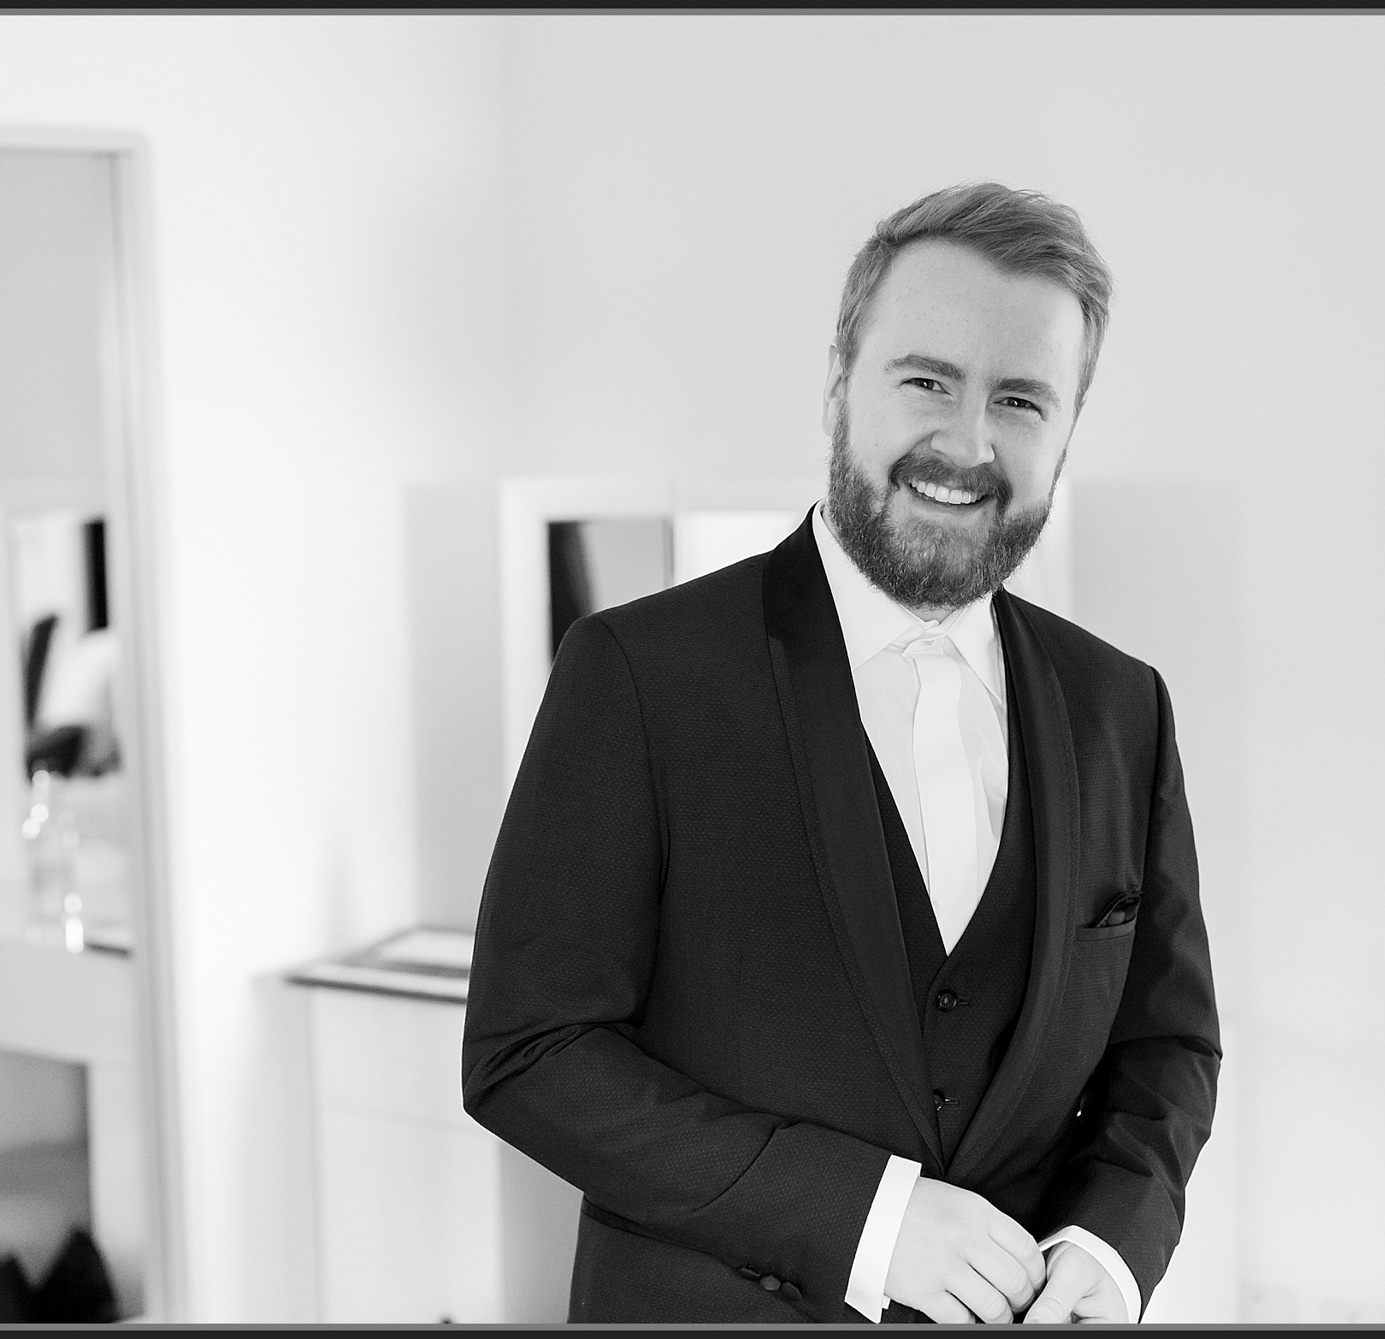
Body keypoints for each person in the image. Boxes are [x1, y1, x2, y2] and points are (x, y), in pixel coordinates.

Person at [463, 181, 1220, 1324]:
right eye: (926, 380)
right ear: (837, 382)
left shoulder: (1123, 705)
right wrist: (863, 1219)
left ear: (1066, 428)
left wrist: (1105, 1249)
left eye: (1019, 399)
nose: (965, 445)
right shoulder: (635, 672)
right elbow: (529, 1050)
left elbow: (1165, 1045)